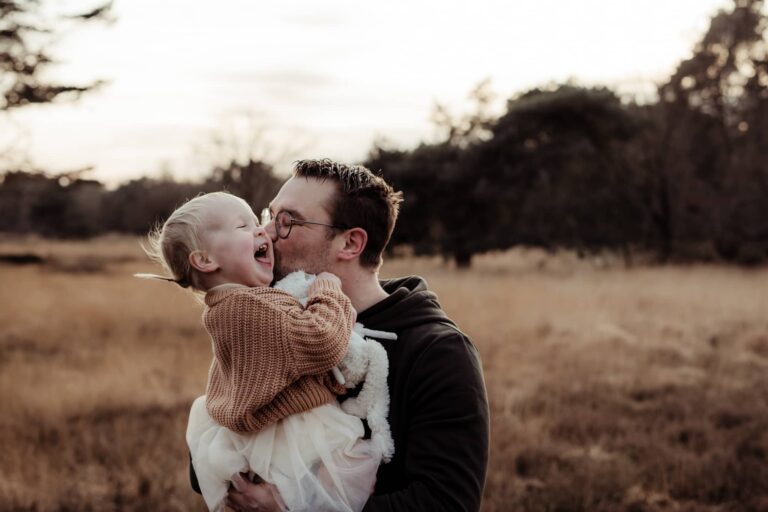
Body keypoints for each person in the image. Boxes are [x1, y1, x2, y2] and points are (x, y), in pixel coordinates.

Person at [204, 159, 490, 511]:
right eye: (269, 214)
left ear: (351, 243)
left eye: (287, 221)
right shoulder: (269, 322)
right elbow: (207, 451)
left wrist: (296, 508)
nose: (266, 233)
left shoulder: (439, 353)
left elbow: (447, 502)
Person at [140, 191, 391, 512]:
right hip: (293, 439)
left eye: (259, 222)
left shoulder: (242, 304)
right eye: (243, 227)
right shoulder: (246, 308)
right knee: (335, 489)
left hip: (282, 435)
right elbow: (321, 340)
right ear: (205, 260)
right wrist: (328, 290)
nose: (264, 231)